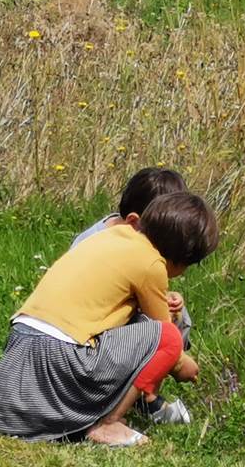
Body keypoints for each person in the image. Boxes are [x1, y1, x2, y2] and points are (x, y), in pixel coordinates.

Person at [0, 192, 218, 447]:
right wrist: (182, 365)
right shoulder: (151, 264)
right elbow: (163, 335)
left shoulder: (110, 236)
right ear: (181, 258)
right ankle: (109, 424)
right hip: (58, 358)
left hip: (18, 355)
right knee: (168, 337)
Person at [71, 167, 194, 424]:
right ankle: (142, 400)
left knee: (175, 313)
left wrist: (165, 296)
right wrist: (181, 363)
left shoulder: (117, 233)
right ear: (137, 222)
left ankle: (143, 393)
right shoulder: (105, 243)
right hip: (88, 336)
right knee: (163, 328)